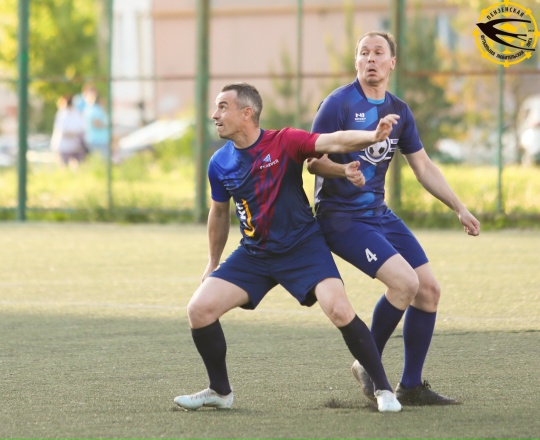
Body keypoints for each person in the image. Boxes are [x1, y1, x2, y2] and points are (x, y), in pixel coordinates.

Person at [174, 82, 402, 413]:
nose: (214, 115)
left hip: (303, 247)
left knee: (339, 309)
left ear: (247, 113)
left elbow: (333, 141)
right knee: (198, 310)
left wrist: (372, 136)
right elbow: (219, 213)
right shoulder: (219, 163)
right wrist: (213, 262)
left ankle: (384, 389)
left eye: (223, 107)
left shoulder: (285, 141)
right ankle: (220, 391)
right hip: (255, 254)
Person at [307, 31, 481, 406]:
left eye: (378, 52)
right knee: (405, 283)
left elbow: (423, 166)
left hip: (378, 214)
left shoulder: (399, 111)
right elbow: (312, 161)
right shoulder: (338, 104)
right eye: (364, 53)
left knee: (428, 291)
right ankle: (367, 364)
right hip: (341, 218)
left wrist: (459, 207)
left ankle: (410, 386)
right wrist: (343, 171)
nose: (371, 58)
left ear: (392, 63)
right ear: (356, 61)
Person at [50, 95, 87, 170]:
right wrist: (75, 133)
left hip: (75, 146)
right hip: (63, 146)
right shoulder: (62, 114)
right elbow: (63, 131)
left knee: (76, 167)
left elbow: (82, 128)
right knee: (63, 168)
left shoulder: (76, 114)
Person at [81, 85, 110, 160]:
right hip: (96, 140)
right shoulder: (90, 109)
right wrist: (109, 124)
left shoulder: (96, 108)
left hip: (101, 139)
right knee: (100, 160)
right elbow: (97, 124)